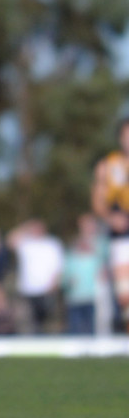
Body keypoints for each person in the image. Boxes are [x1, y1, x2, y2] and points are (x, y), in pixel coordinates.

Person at [91, 117, 129, 332]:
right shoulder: (108, 166)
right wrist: (110, 218)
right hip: (122, 235)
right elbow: (97, 201)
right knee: (125, 296)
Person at [6, 219, 64, 333]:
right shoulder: (25, 243)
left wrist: (54, 284)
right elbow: (9, 241)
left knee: (47, 324)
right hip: (28, 291)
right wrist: (25, 227)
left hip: (46, 291)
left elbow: (58, 267)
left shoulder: (52, 244)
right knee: (29, 324)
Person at [61, 213, 108, 335]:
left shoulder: (103, 243)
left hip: (95, 295)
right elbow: (67, 269)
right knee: (75, 328)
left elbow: (105, 265)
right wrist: (67, 281)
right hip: (75, 296)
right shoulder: (74, 244)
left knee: (95, 327)